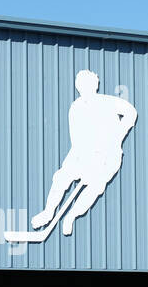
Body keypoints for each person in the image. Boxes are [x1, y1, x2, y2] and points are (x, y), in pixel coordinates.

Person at [31, 70, 137, 236]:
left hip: (109, 155)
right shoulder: (76, 107)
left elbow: (131, 112)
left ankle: (71, 217)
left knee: (95, 185)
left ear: (94, 85)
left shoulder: (107, 102)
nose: (84, 89)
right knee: (61, 177)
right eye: (81, 86)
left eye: (88, 84)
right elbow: (77, 138)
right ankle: (48, 212)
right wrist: (85, 163)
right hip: (83, 153)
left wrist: (119, 134)